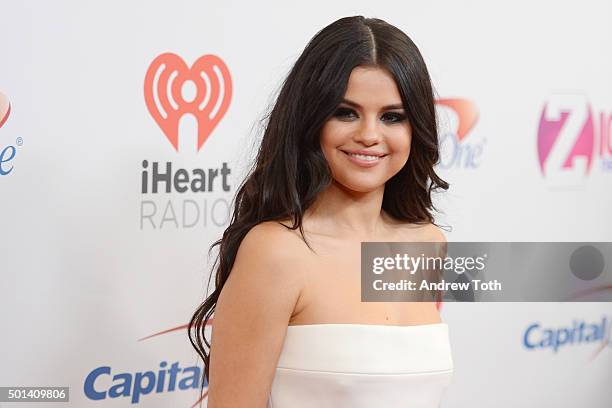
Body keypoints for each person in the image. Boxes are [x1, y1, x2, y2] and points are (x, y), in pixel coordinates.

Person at [189, 15, 453, 408]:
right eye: (346, 112)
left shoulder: (428, 242)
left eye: (392, 116)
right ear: (310, 120)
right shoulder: (276, 252)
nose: (369, 134)